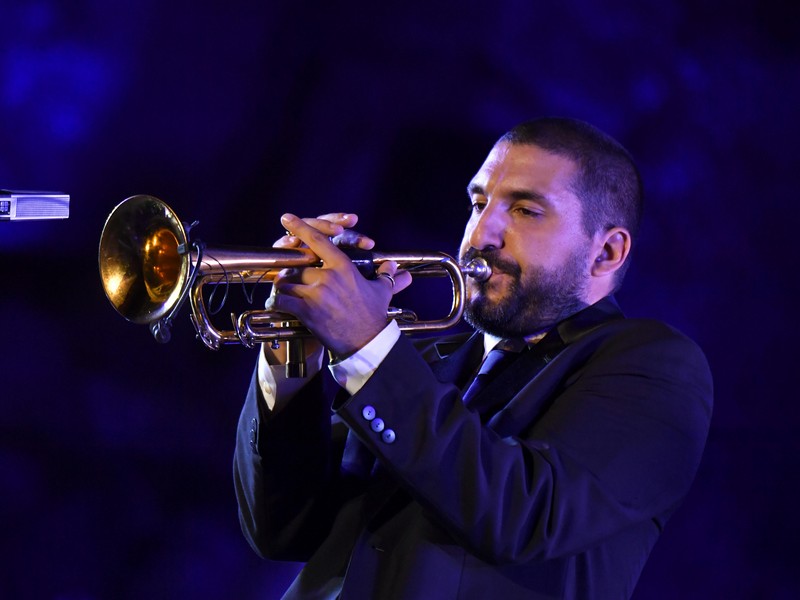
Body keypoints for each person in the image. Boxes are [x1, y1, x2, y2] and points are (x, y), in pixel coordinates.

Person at [233, 117, 713, 599]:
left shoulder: (656, 368)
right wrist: (293, 355)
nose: (483, 233)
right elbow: (281, 529)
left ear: (606, 252)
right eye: (478, 203)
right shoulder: (413, 361)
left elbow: (523, 516)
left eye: (525, 210)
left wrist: (367, 348)